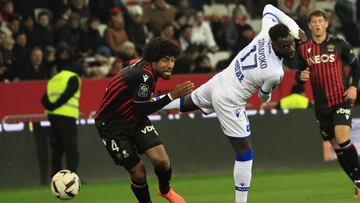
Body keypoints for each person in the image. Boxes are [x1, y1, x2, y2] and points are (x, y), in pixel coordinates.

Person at [159, 4, 306, 203]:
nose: (290, 49)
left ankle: (143, 105)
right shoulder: (275, 72)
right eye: (285, 46)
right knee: (245, 152)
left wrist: (295, 29)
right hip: (230, 100)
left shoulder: (265, 33)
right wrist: (267, 94)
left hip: (220, 80)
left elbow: (269, 8)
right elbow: (263, 97)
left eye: (291, 44)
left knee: (187, 102)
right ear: (274, 44)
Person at [94, 37, 193, 203]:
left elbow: (129, 64)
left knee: (162, 161)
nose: (170, 65)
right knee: (138, 172)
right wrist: (172, 95)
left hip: (135, 119)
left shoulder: (141, 65)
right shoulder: (144, 76)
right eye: (165, 60)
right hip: (112, 127)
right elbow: (142, 108)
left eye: (172, 60)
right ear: (152, 60)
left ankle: (165, 190)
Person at [295, 10, 360, 197]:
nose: (317, 24)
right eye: (314, 21)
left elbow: (356, 66)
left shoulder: (338, 44)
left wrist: (354, 86)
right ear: (309, 26)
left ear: (326, 24)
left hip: (340, 99)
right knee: (338, 148)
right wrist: (300, 77)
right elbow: (300, 76)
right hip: (321, 106)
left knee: (343, 139)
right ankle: (357, 183)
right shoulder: (303, 49)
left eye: (320, 21)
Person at [41, 53, 81, 177]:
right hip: (67, 117)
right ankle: (71, 177)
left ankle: (55, 177)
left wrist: (52, 107)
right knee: (71, 148)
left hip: (53, 117)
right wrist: (57, 105)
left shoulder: (54, 79)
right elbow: (68, 94)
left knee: (56, 149)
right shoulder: (73, 77)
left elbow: (44, 99)